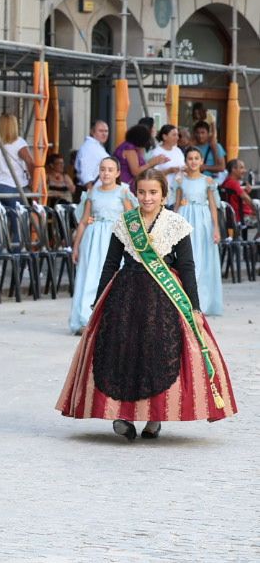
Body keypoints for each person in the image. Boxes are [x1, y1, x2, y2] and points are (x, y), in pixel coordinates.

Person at [58, 170, 236, 439]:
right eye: (141, 192)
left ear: (164, 195)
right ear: (135, 193)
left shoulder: (176, 224)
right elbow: (110, 263)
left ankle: (154, 418)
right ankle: (123, 415)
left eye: (153, 192)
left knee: (158, 352)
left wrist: (195, 307)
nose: (147, 197)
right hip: (125, 295)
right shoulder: (125, 222)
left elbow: (187, 267)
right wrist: (98, 302)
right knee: (123, 353)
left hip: (163, 297)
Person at [68, 156, 135, 334]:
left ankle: (112, 319)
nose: (106, 173)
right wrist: (76, 246)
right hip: (93, 237)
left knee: (113, 276)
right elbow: (83, 221)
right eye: (103, 169)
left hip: (114, 237)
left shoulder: (123, 192)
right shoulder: (92, 193)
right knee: (89, 276)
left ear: (118, 173)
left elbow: (131, 220)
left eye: (110, 170)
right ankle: (85, 319)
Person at [171, 146, 224, 316]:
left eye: (196, 158)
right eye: (190, 158)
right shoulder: (180, 181)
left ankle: (204, 301)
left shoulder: (207, 181)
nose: (193, 161)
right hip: (185, 218)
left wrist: (216, 228)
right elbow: (177, 204)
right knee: (188, 258)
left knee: (203, 258)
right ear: (185, 161)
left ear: (201, 161)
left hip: (202, 221)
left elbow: (213, 207)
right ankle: (187, 299)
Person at [110, 123, 156, 189]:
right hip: (125, 184)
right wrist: (151, 163)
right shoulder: (129, 149)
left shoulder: (128, 146)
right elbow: (135, 171)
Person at [75, 119, 110, 187]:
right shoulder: (89, 148)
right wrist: (90, 193)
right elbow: (86, 174)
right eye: (100, 131)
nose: (104, 134)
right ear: (92, 132)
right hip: (94, 191)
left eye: (106, 131)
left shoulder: (96, 147)